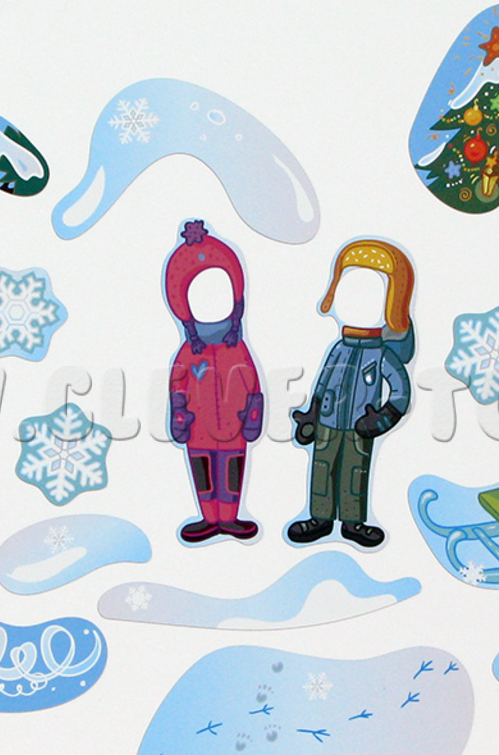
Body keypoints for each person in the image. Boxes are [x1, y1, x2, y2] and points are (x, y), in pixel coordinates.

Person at [286, 239, 414, 548]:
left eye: (369, 294)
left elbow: (400, 391)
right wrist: (312, 413)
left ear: (391, 303)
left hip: (360, 426)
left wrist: (383, 418)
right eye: (348, 289)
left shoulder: (381, 354)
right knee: (322, 468)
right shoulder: (338, 349)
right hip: (327, 422)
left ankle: (353, 521)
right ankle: (320, 517)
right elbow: (323, 381)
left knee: (354, 471)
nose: (354, 300)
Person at [165, 220, 264, 544]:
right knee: (205, 474)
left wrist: (252, 416)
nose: (211, 301)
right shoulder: (188, 353)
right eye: (199, 294)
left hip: (234, 430)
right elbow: (177, 384)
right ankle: (210, 518)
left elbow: (252, 385)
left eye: (220, 290)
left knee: (230, 472)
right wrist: (179, 415)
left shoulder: (238, 349)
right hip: (199, 430)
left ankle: (229, 517)